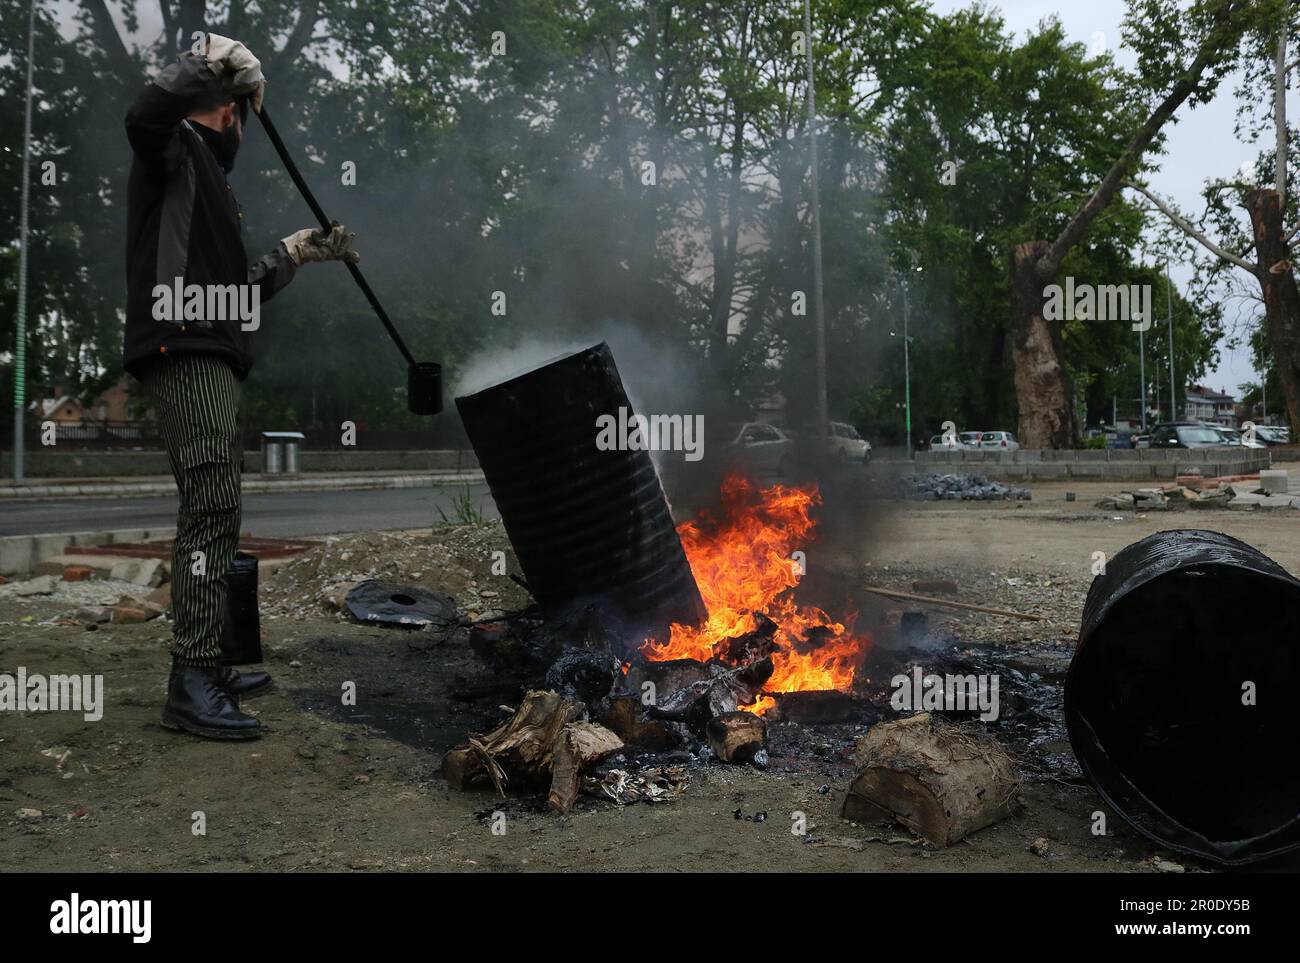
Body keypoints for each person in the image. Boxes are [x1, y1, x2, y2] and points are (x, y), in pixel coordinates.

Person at [124, 35, 358, 740]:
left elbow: (234, 294)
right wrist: (211, 61)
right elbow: (144, 116)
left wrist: (292, 254)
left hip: (213, 346)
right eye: (242, 111)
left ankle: (214, 660)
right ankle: (191, 678)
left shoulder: (214, 188)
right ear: (230, 111)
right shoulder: (174, 150)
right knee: (211, 499)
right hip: (183, 347)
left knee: (219, 499)